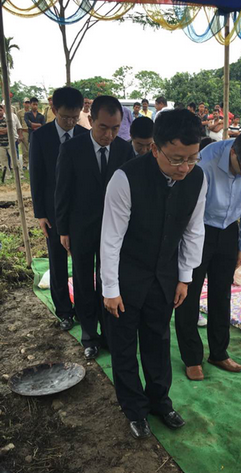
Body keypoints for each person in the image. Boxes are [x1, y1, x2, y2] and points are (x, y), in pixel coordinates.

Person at [100, 109, 207, 440]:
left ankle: (160, 401)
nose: (184, 167)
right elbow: (111, 238)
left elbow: (194, 229)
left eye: (192, 158)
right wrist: (110, 288)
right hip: (127, 275)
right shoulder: (125, 178)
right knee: (124, 345)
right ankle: (134, 409)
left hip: (164, 275)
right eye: (177, 159)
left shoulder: (198, 179)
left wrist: (185, 276)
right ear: (155, 148)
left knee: (158, 340)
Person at [175, 131, 241, 382]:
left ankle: (219, 352)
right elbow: (192, 208)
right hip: (199, 228)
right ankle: (192, 358)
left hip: (229, 229)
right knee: (189, 293)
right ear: (233, 153)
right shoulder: (206, 161)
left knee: (222, 294)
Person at [55, 96, 133, 358]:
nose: (109, 135)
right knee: (83, 281)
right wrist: (63, 230)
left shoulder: (124, 150)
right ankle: (89, 336)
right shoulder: (72, 149)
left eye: (115, 128)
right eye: (103, 128)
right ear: (90, 120)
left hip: (115, 230)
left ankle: (109, 334)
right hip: (81, 228)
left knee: (108, 280)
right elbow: (62, 191)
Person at [29, 87, 88, 331]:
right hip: (53, 211)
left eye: (75, 117)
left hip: (81, 211)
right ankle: (64, 310)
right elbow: (36, 176)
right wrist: (40, 214)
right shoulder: (41, 137)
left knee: (83, 262)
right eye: (65, 117)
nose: (70, 122)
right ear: (54, 110)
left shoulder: (86, 135)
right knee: (57, 259)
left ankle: (84, 309)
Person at [17, 98, 30, 169]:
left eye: (28, 103)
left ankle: (32, 163)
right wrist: (20, 134)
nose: (27, 104)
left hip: (31, 131)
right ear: (23, 103)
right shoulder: (20, 112)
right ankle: (25, 164)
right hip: (24, 131)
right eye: (26, 103)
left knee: (31, 148)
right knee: (24, 149)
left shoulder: (32, 112)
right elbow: (18, 124)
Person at [0, 105, 10, 181]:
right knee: (4, 161)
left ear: (3, 111)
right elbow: (4, 130)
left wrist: (2, 130)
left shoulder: (7, 120)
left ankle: (20, 175)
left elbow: (8, 130)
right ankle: (7, 175)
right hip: (0, 144)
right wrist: (3, 130)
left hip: (9, 143)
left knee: (14, 160)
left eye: (0, 110)